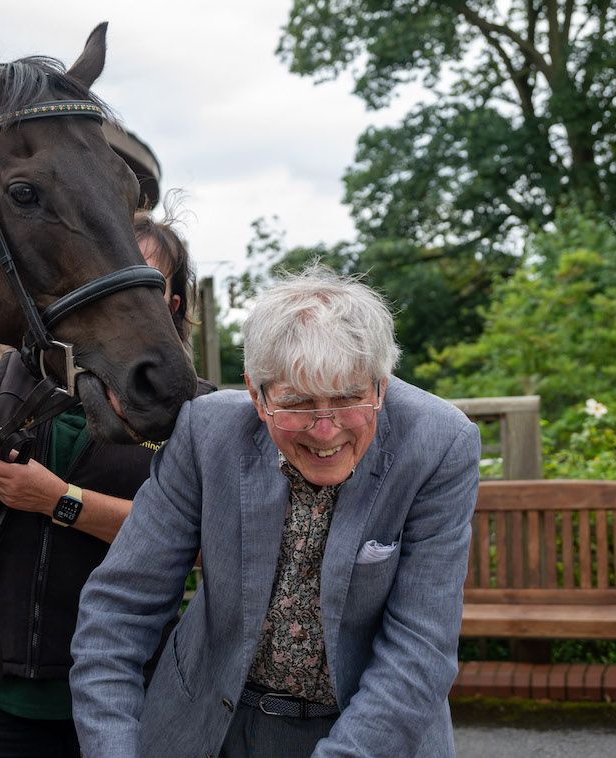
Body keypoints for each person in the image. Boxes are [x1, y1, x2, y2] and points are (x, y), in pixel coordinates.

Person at [70, 264, 482, 757]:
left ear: (381, 386)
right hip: (207, 723)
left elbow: (421, 651)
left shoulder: (440, 443)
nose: (325, 431)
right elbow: (119, 610)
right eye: (299, 404)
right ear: (256, 394)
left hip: (373, 731)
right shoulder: (206, 433)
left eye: (349, 398)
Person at [0, 208, 210, 758]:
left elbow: (203, 544)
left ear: (171, 306)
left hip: (123, 688)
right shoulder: (4, 378)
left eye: (144, 282)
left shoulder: (197, 413)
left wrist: (60, 502)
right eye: (102, 272)